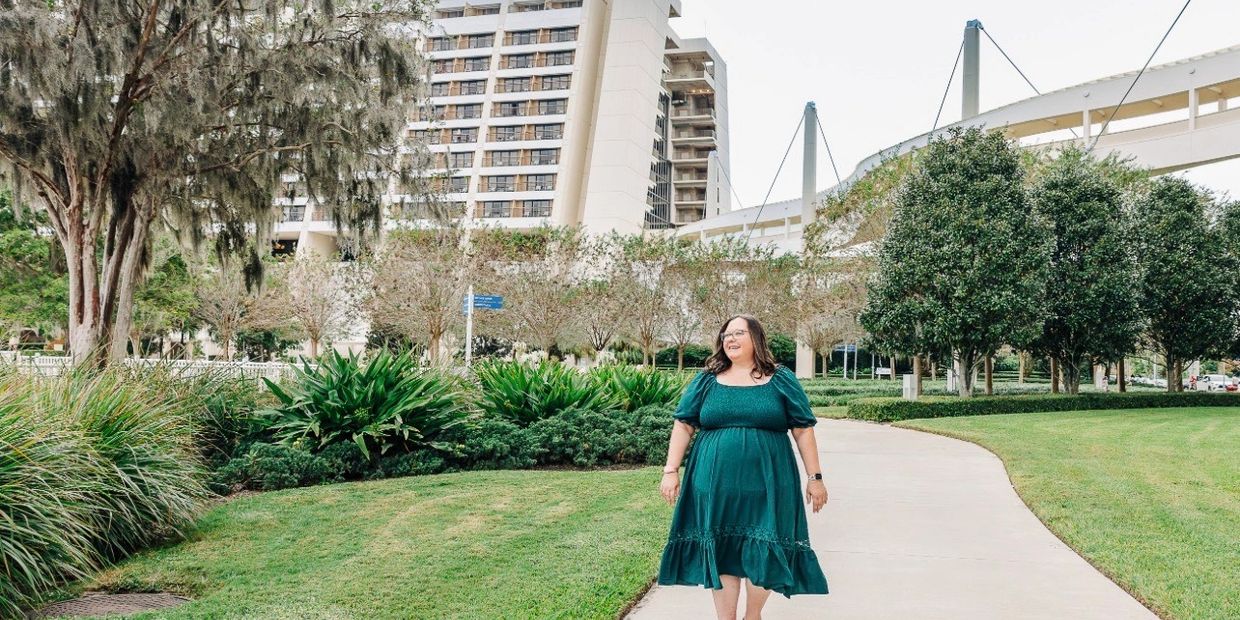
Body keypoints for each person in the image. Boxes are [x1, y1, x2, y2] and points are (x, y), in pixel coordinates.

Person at [656, 314, 829, 619]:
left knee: (766, 544)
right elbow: (683, 424)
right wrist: (671, 470)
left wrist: (815, 477)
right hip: (714, 484)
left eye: (738, 333)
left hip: (769, 483)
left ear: (756, 339)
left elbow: (803, 429)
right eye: (725, 335)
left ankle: (752, 615)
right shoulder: (707, 380)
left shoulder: (780, 378)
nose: (730, 339)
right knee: (721, 548)